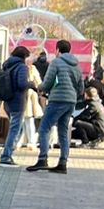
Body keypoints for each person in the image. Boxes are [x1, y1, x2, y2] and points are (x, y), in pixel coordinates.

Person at [28, 38, 82, 174]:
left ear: (57, 50)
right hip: (71, 101)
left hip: (58, 99)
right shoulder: (76, 65)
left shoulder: (56, 62)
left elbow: (47, 82)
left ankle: (43, 159)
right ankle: (63, 163)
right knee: (63, 131)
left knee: (44, 128)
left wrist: (40, 88)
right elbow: (81, 87)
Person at [0, 45, 41, 165]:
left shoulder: (7, 65)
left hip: (8, 101)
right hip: (18, 102)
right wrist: (31, 84)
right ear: (24, 56)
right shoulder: (21, 67)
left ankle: (8, 153)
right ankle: (6, 156)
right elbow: (21, 84)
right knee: (15, 130)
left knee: (16, 129)